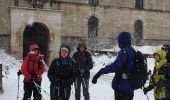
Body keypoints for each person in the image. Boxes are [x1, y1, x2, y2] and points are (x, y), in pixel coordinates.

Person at [92, 32, 135, 100]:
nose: (118, 42)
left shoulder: (125, 51)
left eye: (119, 40)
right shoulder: (132, 51)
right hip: (129, 85)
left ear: (122, 40)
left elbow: (115, 66)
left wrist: (101, 72)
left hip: (122, 86)